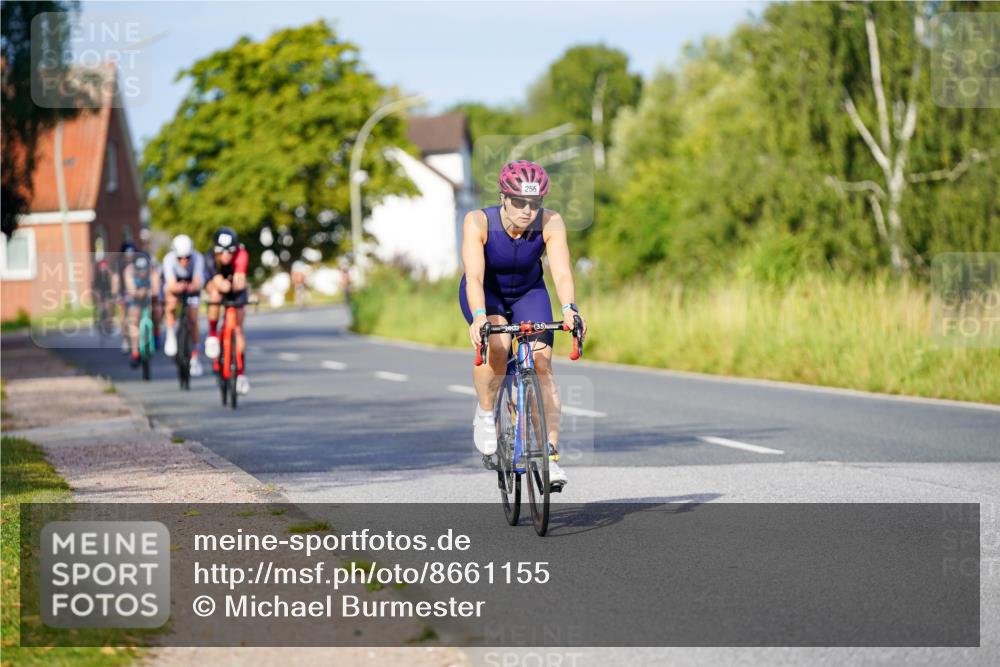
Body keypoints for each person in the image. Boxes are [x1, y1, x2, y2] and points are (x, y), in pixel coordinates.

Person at [459, 160, 587, 490]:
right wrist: (478, 316)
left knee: (541, 363)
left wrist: (570, 309)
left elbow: (560, 272)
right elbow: (473, 275)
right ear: (503, 197)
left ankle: (550, 457)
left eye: (534, 203)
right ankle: (487, 413)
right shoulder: (478, 221)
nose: (527, 210)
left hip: (529, 293)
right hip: (488, 294)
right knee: (498, 348)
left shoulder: (551, 222)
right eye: (519, 202)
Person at [204, 226, 250, 395]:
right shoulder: (209, 258)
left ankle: (241, 373)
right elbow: (217, 282)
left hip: (236, 290)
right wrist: (222, 284)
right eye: (221, 252)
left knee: (238, 328)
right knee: (215, 294)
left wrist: (239, 279)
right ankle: (213, 335)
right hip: (218, 285)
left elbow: (240, 276)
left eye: (230, 252)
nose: (226, 256)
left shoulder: (242, 254)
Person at [162, 234, 205, 377]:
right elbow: (170, 284)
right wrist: (178, 287)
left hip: (192, 287)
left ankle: (195, 354)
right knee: (171, 304)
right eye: (180, 258)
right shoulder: (168, 260)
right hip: (175, 286)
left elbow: (198, 281)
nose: (184, 261)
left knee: (193, 318)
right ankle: (170, 334)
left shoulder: (198, 258)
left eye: (187, 258)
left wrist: (193, 286)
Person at [120, 248, 161, 368]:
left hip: (149, 297)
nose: (143, 273)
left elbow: (156, 289)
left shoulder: (153, 270)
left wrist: (149, 292)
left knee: (156, 310)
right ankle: (135, 352)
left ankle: (156, 333)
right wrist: (139, 293)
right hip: (136, 298)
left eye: (145, 269)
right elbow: (131, 289)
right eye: (140, 270)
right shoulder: (129, 270)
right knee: (134, 319)